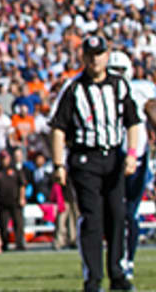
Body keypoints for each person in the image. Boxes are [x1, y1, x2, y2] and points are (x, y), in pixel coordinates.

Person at [51, 35, 142, 292]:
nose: (95, 59)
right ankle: (93, 277)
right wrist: (59, 164)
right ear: (83, 57)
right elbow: (58, 128)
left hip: (113, 156)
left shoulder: (119, 86)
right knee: (92, 218)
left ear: (106, 55)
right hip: (84, 158)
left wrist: (132, 154)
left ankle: (118, 273)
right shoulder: (74, 89)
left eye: (99, 54)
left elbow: (133, 122)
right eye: (90, 55)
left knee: (118, 214)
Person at [110, 52, 153, 279]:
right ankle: (118, 257)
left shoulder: (142, 89)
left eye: (120, 70)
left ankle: (128, 260)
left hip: (137, 154)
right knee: (116, 212)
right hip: (111, 155)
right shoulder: (100, 89)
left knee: (130, 212)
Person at [0, 150, 25, 251]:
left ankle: (19, 244)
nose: (4, 160)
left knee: (18, 224)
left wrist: (22, 198)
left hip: (15, 201)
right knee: (3, 225)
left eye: (5, 158)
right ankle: (4, 244)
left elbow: (22, 184)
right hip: (2, 202)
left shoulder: (15, 169)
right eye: (2, 158)